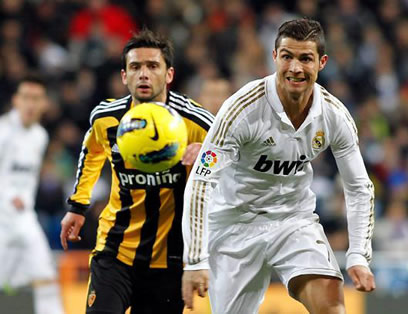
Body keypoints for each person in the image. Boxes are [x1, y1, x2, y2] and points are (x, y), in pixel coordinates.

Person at [182, 18, 376, 313]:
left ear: (322, 62)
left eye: (305, 59)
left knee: (331, 306)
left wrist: (359, 255)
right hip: (234, 224)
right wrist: (195, 258)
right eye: (287, 57)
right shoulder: (241, 110)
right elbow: (201, 181)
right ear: (275, 57)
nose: (295, 68)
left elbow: (359, 188)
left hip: (292, 220)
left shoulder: (334, 116)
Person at [59, 29, 214, 314]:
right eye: (135, 67)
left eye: (153, 66)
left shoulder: (199, 123)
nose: (144, 74)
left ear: (169, 75)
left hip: (169, 260)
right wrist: (78, 206)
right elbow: (91, 151)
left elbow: (232, 160)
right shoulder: (106, 118)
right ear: (123, 76)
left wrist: (208, 157)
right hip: (114, 251)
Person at [0, 76, 65, 314]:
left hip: (24, 219)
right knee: (8, 286)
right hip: (1, 221)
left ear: (44, 104)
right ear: (16, 101)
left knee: (45, 276)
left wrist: (22, 199)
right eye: (26, 98)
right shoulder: (2, 132)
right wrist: (7, 196)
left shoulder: (40, 136)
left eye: (36, 99)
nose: (30, 104)